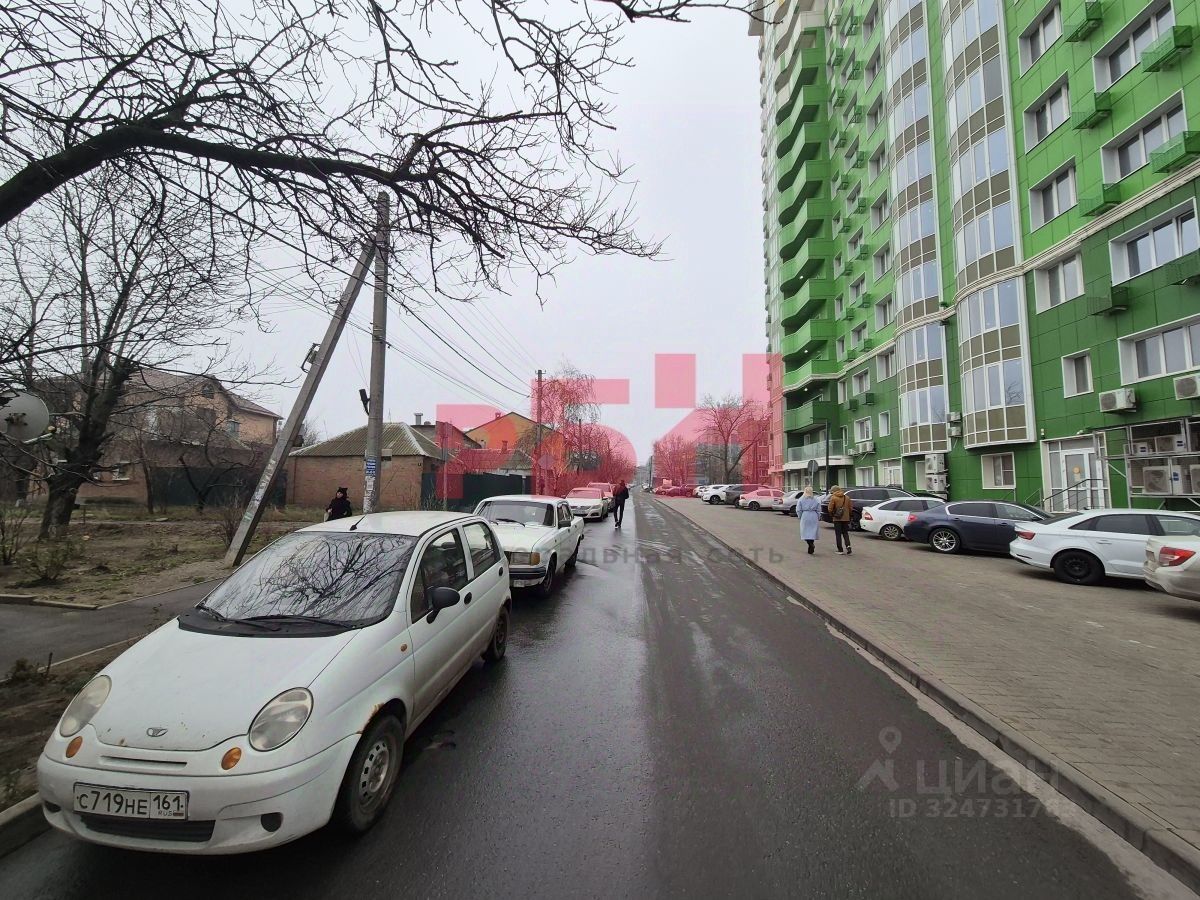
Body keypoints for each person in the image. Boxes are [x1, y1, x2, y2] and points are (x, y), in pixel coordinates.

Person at [827, 485, 852, 555]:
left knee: (838, 534)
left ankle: (840, 550)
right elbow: (850, 508)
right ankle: (848, 546)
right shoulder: (847, 497)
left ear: (834, 491)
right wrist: (849, 515)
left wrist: (832, 514)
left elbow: (830, 508)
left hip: (837, 518)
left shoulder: (833, 498)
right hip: (846, 518)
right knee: (845, 533)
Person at [796, 485, 821, 555]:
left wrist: (800, 516)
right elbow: (819, 509)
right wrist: (818, 516)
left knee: (805, 532)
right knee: (812, 532)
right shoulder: (816, 499)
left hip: (805, 515)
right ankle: (811, 544)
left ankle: (810, 544)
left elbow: (798, 509)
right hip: (814, 515)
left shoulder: (801, 499)